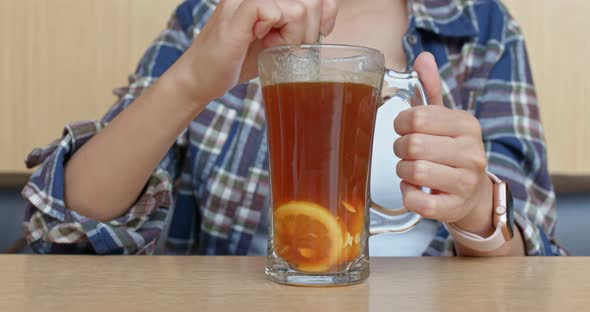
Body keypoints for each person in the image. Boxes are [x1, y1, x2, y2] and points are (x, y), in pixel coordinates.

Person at [21, 0, 565, 256]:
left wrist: (476, 214)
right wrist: (190, 82)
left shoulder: (480, 27)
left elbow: (537, 267)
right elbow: (62, 234)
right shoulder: (218, 16)